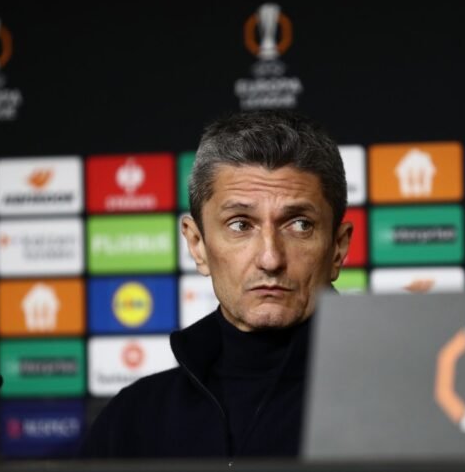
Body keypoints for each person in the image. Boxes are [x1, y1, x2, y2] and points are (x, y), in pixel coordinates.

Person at [81, 110, 352, 460]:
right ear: (197, 245)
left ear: (338, 248)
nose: (270, 259)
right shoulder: (132, 419)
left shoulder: (399, 404)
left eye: (299, 224)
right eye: (240, 225)